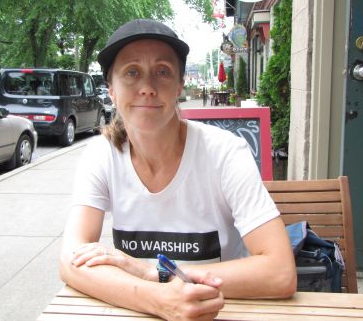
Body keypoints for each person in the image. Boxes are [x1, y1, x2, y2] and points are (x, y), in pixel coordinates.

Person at [60, 19, 296, 321]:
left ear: (179, 86)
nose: (147, 87)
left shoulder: (224, 152)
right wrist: (157, 299)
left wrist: (151, 272)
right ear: (112, 90)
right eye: (131, 72)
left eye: (163, 72)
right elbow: (70, 261)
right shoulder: (101, 155)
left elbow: (279, 272)